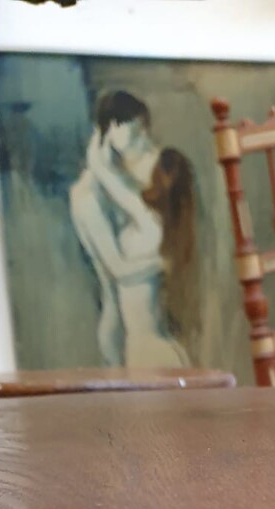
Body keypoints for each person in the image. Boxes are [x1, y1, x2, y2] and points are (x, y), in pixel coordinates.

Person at [69, 90, 196, 366]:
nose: (148, 145)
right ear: (110, 132)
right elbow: (117, 270)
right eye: (137, 135)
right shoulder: (90, 196)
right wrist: (160, 263)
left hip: (146, 345)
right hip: (129, 339)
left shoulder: (138, 208)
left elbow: (130, 201)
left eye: (145, 134)